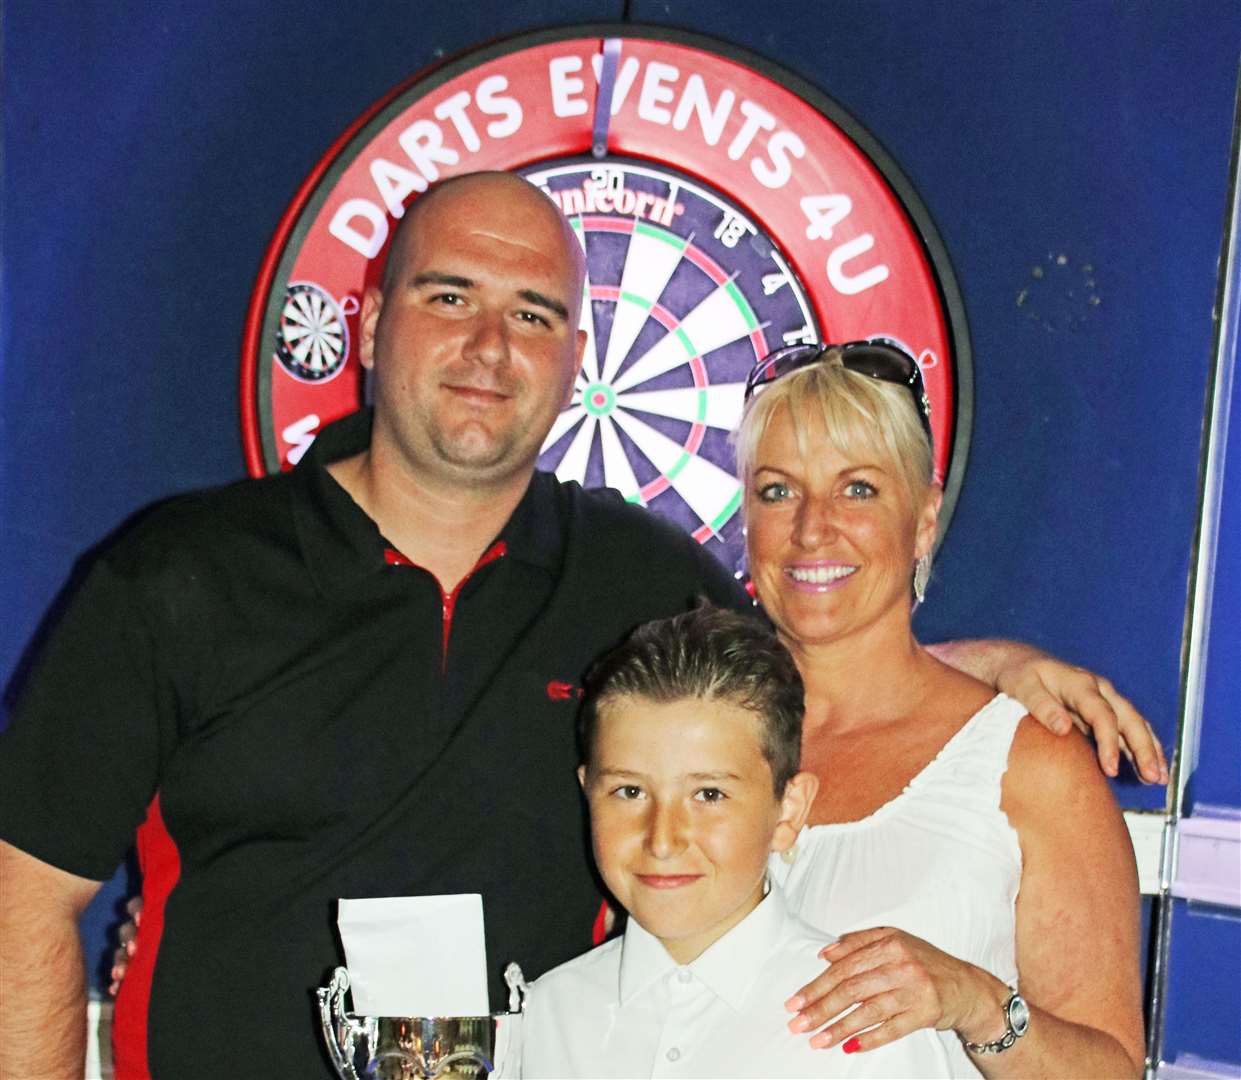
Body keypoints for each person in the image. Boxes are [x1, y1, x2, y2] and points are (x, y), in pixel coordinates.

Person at [0, 173, 1159, 1080]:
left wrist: (973, 671)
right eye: (447, 295)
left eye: (534, 313)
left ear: (576, 366)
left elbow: (806, 657)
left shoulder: (628, 579)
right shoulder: (177, 575)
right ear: (365, 325)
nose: (487, 346)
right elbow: (24, 900)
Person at [733, 342, 1145, 1075]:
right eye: (776, 491)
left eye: (857, 489)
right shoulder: (690, 737)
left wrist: (977, 1004)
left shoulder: (1026, 766)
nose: (811, 527)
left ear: (922, 520)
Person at [523, 604, 962, 1078]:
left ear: (788, 811)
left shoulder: (866, 1028)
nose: (663, 840)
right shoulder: (546, 1016)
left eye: (708, 794)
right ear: (588, 792)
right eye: (630, 792)